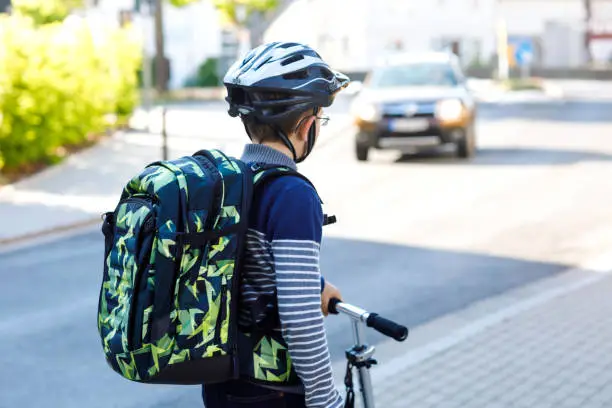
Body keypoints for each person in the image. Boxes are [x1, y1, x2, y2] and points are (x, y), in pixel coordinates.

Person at [201, 42, 350, 408]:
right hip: (273, 390)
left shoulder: (230, 182)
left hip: (223, 383)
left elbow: (247, 264)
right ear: (305, 124)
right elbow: (300, 319)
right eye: (319, 117)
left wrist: (316, 285)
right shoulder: (291, 194)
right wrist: (324, 399)